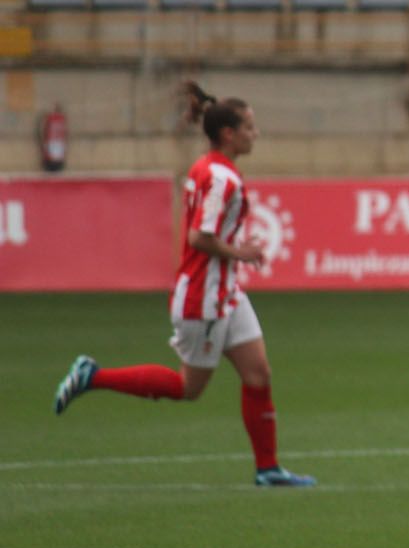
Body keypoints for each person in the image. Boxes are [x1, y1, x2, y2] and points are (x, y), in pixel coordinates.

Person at [51, 83, 315, 489]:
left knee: (258, 374)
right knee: (187, 387)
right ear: (228, 133)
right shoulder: (221, 179)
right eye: (249, 127)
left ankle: (268, 468)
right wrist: (240, 252)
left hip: (226, 293)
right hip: (203, 298)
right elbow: (198, 237)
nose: (255, 134)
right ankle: (93, 375)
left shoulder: (208, 167)